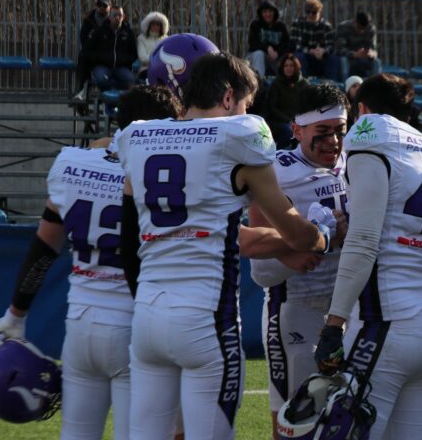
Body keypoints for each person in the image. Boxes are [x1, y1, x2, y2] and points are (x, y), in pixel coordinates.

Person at [117, 53, 333, 440]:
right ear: (230, 96)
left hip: (148, 317)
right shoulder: (238, 135)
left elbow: (128, 239)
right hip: (205, 319)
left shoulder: (138, 136)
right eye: (246, 103)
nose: (247, 112)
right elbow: (297, 234)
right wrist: (325, 233)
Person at [0, 85, 183, 440]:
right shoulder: (161, 174)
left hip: (80, 324)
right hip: (134, 325)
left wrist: (16, 314)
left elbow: (44, 249)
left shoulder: (72, 163)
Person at [314, 73, 422, 439]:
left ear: (362, 109)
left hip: (385, 323)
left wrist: (334, 323)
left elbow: (364, 239)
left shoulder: (372, 132)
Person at [249, 83, 349, 439]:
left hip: (348, 312)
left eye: (339, 130)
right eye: (322, 131)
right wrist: (293, 252)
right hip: (296, 308)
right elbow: (261, 271)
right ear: (297, 129)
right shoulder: (277, 171)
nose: (333, 141)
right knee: (294, 426)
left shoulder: (356, 163)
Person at [88, 5, 138, 92]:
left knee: (131, 80)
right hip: (102, 66)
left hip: (122, 67)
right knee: (101, 80)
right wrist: (98, 58)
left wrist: (125, 60)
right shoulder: (100, 31)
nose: (117, 17)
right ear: (109, 17)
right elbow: (89, 49)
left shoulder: (128, 33)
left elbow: (133, 53)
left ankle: (115, 93)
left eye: (120, 15)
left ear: (123, 17)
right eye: (114, 15)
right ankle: (110, 94)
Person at [74, 0, 111, 102]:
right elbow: (83, 39)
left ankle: (107, 92)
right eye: (99, 5)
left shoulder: (112, 21)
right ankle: (83, 90)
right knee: (83, 57)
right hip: (92, 52)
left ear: (110, 7)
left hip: (107, 54)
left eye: (105, 5)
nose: (102, 8)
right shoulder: (89, 20)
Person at [266, 53, 308, 148]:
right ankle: (278, 153)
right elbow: (272, 108)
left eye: (292, 65)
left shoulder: (304, 84)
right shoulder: (276, 84)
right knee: (289, 131)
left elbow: (307, 105)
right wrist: (288, 121)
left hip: (299, 120)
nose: (289, 68)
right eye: (286, 66)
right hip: (279, 121)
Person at [289, 0, 337, 80]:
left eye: (314, 12)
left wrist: (323, 51)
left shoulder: (326, 26)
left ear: (319, 12)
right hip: (305, 54)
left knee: (333, 59)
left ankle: (332, 83)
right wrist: (310, 51)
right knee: (299, 56)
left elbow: (331, 45)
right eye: (308, 12)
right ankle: (301, 82)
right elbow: (296, 44)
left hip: (321, 56)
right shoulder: (297, 23)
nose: (311, 15)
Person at [247, 0, 290, 78]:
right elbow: (253, 43)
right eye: (265, 12)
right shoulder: (255, 25)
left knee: (288, 59)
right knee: (259, 54)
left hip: (276, 57)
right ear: (261, 13)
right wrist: (267, 48)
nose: (268, 14)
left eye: (270, 11)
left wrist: (278, 53)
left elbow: (287, 44)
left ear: (274, 12)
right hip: (259, 57)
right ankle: (259, 80)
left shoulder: (281, 26)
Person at [337, 12, 381, 79]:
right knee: (344, 60)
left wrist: (372, 53)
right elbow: (340, 49)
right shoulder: (343, 27)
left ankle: (376, 82)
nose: (361, 31)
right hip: (349, 57)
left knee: (376, 62)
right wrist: (354, 54)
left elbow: (373, 48)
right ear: (354, 21)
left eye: (364, 28)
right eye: (359, 28)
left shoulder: (371, 29)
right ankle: (345, 82)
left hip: (364, 57)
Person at [136, 11, 170, 79]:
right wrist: (160, 59)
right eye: (153, 24)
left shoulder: (166, 39)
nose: (156, 27)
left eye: (158, 25)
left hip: (164, 68)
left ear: (162, 26)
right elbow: (142, 58)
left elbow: (169, 55)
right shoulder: (141, 38)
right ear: (148, 25)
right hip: (146, 68)